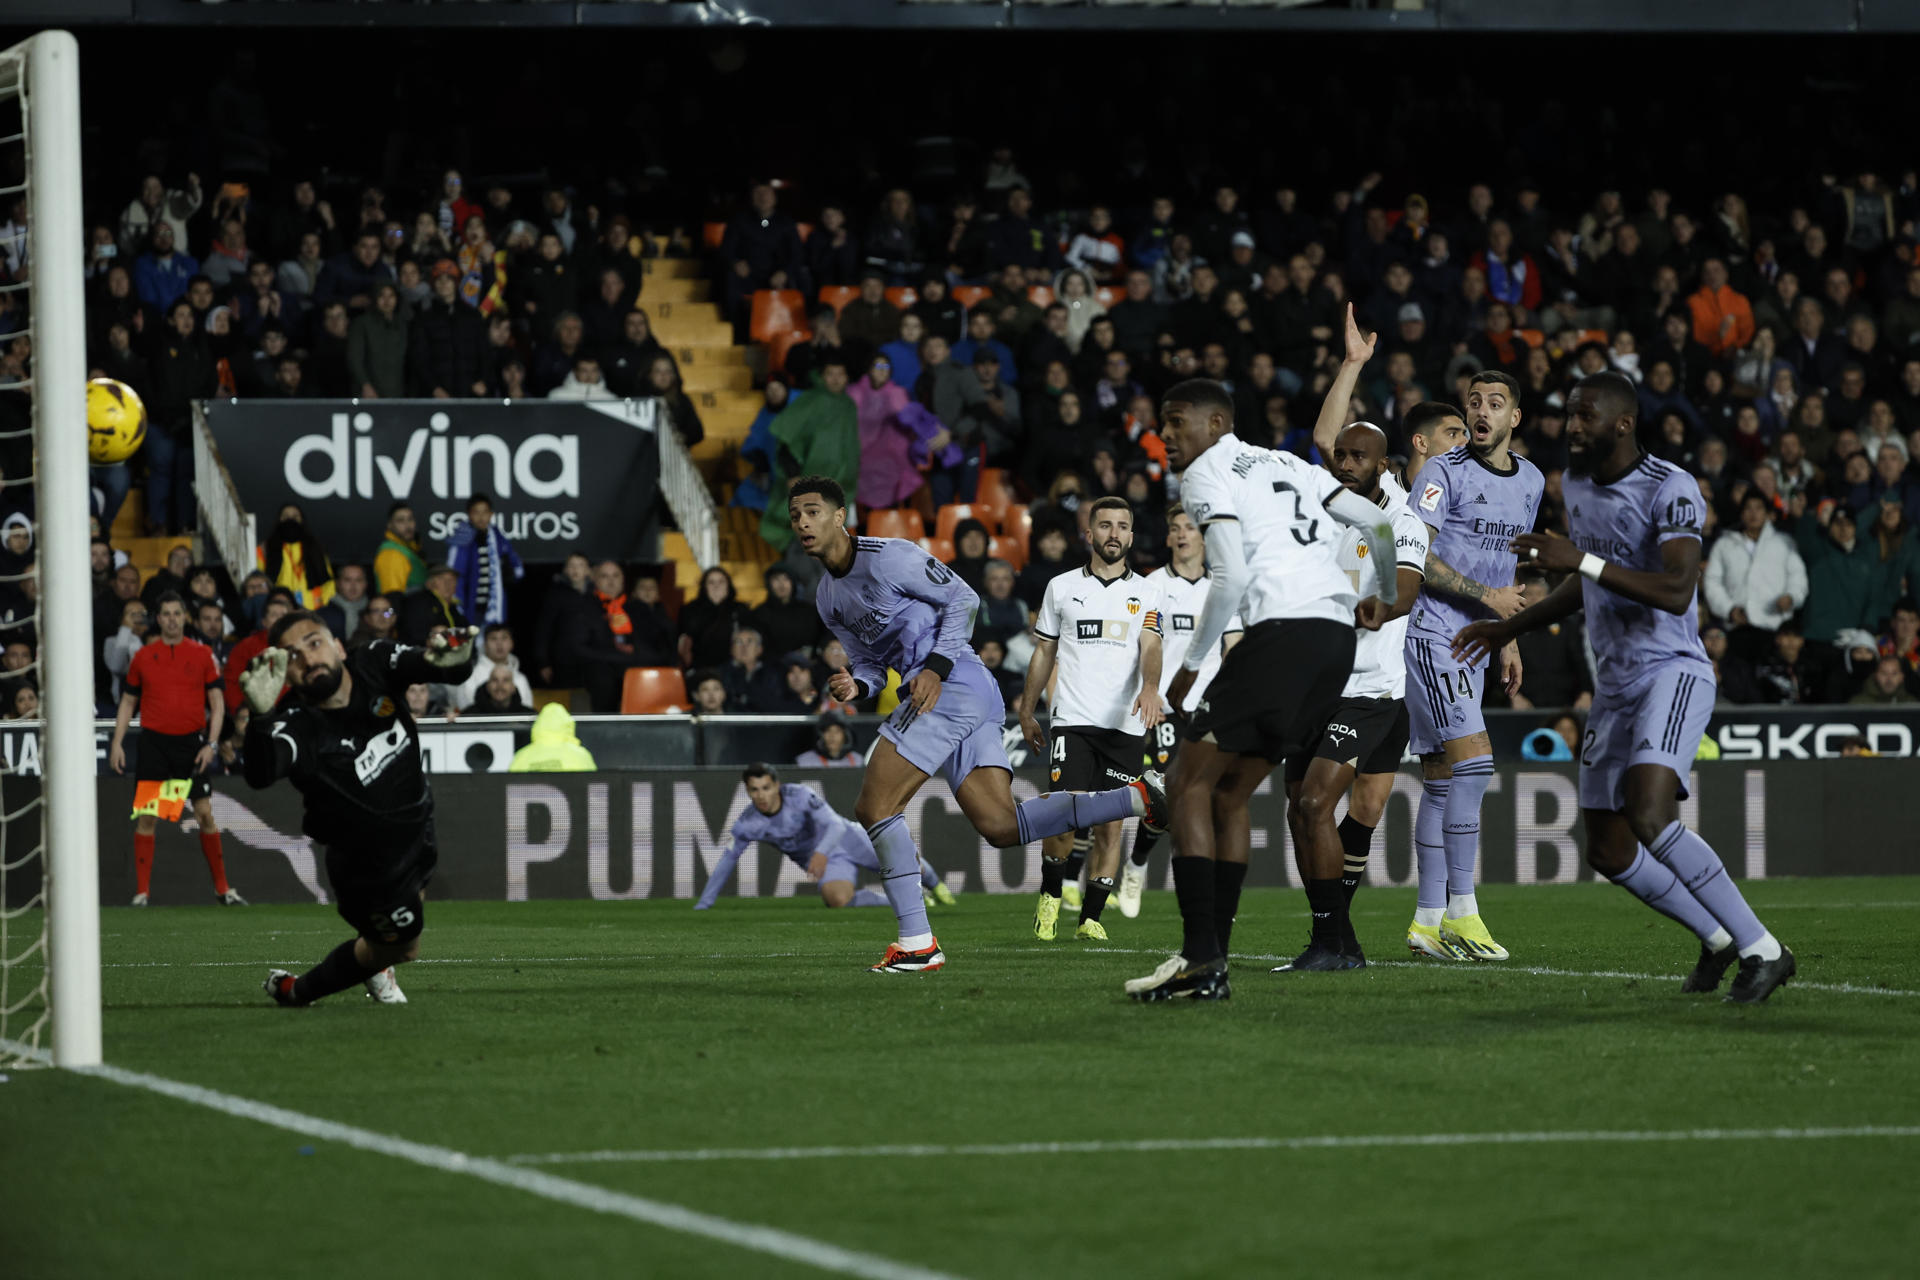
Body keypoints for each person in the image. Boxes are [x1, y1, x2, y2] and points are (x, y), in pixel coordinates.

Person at [1454, 371, 1795, 1003]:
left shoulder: (1671, 487)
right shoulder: (1580, 484)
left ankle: (1764, 948)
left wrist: (1576, 558)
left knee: (1648, 811)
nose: (1572, 426)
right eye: (1570, 414)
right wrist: (1511, 628)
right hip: (1614, 685)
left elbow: (1676, 590)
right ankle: (1719, 940)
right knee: (1609, 850)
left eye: (1586, 416)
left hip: (1672, 670)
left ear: (1623, 423)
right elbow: (1588, 582)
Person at [790, 476, 1166, 973]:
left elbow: (964, 600)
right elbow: (870, 661)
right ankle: (1139, 798)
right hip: (955, 692)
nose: (802, 523)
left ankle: (916, 942)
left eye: (813, 511)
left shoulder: (890, 556)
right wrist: (857, 686)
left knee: (874, 804)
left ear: (840, 517)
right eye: (795, 515)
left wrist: (935, 669)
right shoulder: (827, 598)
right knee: (1001, 827)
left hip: (953, 684)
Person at [1126, 378, 1398, 999]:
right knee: (1228, 792)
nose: (1166, 435)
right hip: (1332, 643)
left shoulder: (1203, 474)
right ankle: (1211, 963)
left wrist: (1193, 663)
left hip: (1282, 635)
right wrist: (1380, 593)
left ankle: (1201, 960)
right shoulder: (1288, 463)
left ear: (1216, 422)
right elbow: (1374, 521)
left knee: (1185, 781)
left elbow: (1230, 577)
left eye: (1175, 421)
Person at [1285, 310, 1434, 958]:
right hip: (1318, 683)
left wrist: (1363, 609)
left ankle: (1332, 940)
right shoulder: (1336, 499)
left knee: (1322, 803)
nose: (1343, 463)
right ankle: (1336, 940)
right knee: (1306, 807)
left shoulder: (1400, 515)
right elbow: (1324, 434)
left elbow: (1405, 586)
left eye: (1357, 456)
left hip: (1372, 687)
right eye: (1340, 455)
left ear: (1385, 464)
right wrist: (1351, 365)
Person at [248, 616, 479, 1007]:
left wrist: (457, 658)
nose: (307, 658)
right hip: (369, 869)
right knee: (401, 950)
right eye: (292, 655)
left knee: (403, 922)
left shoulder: (374, 660)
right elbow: (260, 772)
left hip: (418, 823)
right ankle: (297, 991)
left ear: (338, 647)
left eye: (313, 643)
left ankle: (373, 956)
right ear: (285, 673)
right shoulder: (297, 723)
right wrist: (258, 719)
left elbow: (444, 668)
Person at [1398, 369, 1540, 963]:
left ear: (1515, 419)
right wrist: (1488, 600)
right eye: (1474, 403)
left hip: (1479, 642)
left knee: (1439, 781)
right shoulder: (1441, 473)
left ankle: (1427, 922)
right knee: (1476, 763)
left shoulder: (1530, 480)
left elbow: (1509, 564)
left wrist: (1507, 635)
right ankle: (1464, 912)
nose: (1481, 412)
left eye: (1495, 404)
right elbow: (1417, 557)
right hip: (1436, 636)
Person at [1018, 498, 1165, 943]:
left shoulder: (1148, 591)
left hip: (1125, 724)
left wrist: (1151, 686)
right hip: (1074, 719)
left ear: (1132, 536)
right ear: (1090, 534)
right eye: (1105, 525)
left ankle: (1091, 917)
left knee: (1110, 825)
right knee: (1063, 816)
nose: (1114, 533)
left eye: (1122, 526)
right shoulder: (1061, 588)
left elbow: (1152, 646)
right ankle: (1049, 896)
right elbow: (1044, 651)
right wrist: (1027, 709)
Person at [1113, 504, 1243, 919]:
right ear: (1168, 538)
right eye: (1175, 529)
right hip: (1167, 709)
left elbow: (1234, 646)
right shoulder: (1152, 587)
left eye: (1190, 527)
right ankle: (1137, 867)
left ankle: (1161, 871)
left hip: (1211, 712)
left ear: (1204, 538)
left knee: (1209, 800)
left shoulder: (1223, 589)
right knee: (1173, 796)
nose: (1183, 534)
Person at [108, 592, 241, 907]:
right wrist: (117, 742)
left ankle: (223, 890)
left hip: (191, 744)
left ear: (185, 618)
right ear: (158, 618)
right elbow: (128, 701)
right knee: (149, 817)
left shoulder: (202, 654)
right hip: (155, 743)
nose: (171, 619)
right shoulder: (143, 656)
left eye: (176, 614)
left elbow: (217, 703)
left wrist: (211, 743)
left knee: (205, 813)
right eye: (165, 614)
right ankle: (142, 893)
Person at [694, 765, 950, 912]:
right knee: (837, 901)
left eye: (766, 787)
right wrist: (704, 904)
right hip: (831, 862)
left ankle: (937, 886)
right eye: (754, 790)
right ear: (748, 791)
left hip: (848, 840)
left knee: (905, 859)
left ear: (777, 785)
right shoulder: (748, 823)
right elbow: (727, 861)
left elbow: (836, 826)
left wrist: (821, 852)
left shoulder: (801, 795)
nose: (761, 795)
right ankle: (912, 900)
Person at [446, 494, 525, 627]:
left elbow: (517, 568)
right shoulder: (460, 541)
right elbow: (453, 574)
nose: (481, 517)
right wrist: (457, 604)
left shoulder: (498, 538)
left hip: (494, 607)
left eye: (485, 512)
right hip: (469, 606)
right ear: (469, 514)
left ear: (491, 514)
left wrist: (509, 572)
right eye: (476, 512)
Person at [452, 624, 534, 711]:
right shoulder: (470, 676)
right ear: (484, 645)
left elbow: (526, 715)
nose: (499, 643)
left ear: (511, 643)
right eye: (493, 639)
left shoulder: (521, 679)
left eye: (504, 638)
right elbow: (468, 714)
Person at [509, 702, 599, 771]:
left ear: (538, 725)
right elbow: (596, 791)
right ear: (568, 725)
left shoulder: (521, 757)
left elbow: (506, 793)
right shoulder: (581, 756)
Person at [399, 562, 468, 645]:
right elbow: (411, 634)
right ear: (429, 583)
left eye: (452, 579)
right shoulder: (418, 602)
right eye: (441, 578)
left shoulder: (456, 610)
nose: (447, 583)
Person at [374, 502, 427, 596]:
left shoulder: (408, 549)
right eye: (400, 520)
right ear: (390, 525)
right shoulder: (392, 554)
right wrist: (390, 611)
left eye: (410, 519)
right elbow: (391, 599)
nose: (407, 525)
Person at [316, 563, 372, 642]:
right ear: (338, 583)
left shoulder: (374, 611)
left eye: (358, 580)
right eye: (347, 580)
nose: (353, 586)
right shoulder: (323, 615)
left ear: (366, 583)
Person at [796, 711, 865, 767]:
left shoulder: (858, 761)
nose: (832, 736)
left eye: (837, 731)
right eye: (828, 731)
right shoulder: (805, 762)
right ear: (820, 735)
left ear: (846, 735)